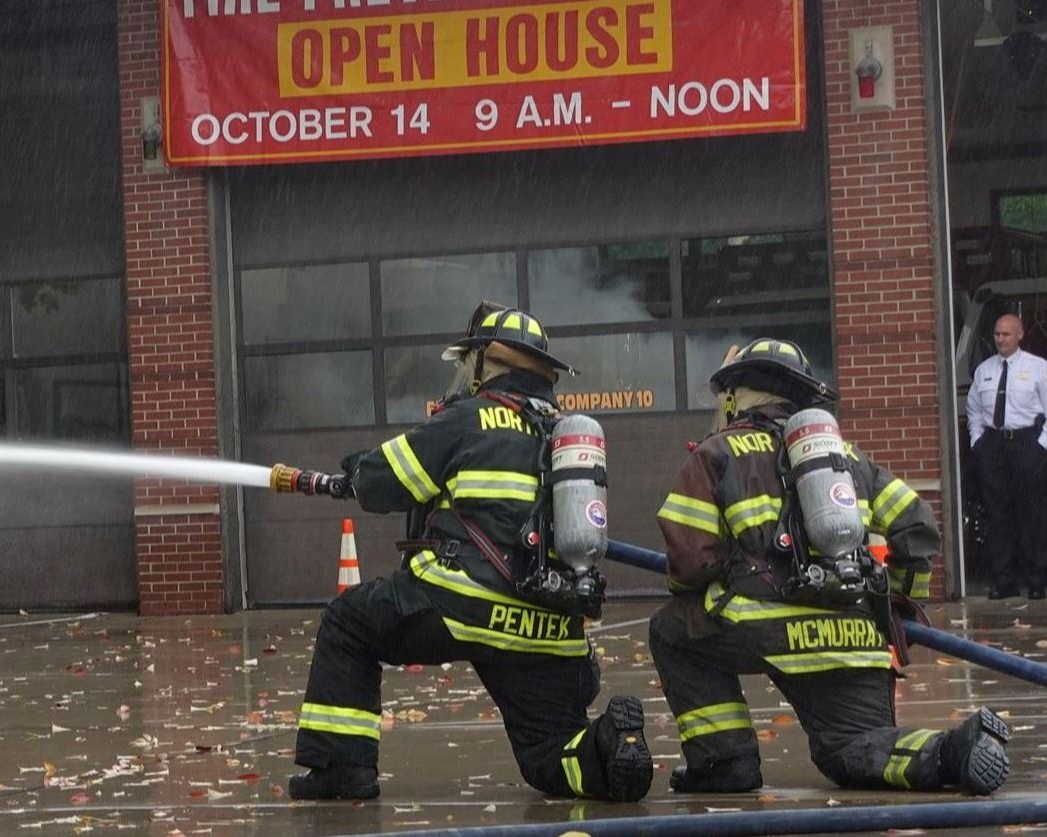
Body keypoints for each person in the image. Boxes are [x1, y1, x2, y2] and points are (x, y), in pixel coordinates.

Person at [269, 304, 652, 802]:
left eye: (465, 362)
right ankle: (605, 749)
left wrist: (354, 471)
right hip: (550, 624)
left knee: (348, 623)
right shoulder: (565, 436)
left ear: (483, 362)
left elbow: (384, 481)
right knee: (549, 752)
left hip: (461, 600)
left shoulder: (468, 418)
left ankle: (344, 770)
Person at [652, 339, 1010, 795]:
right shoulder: (848, 458)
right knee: (852, 748)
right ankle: (952, 751)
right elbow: (917, 527)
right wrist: (897, 607)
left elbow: (689, 564)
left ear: (733, 397)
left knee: (670, 632)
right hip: (853, 633)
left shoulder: (716, 454)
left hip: (758, 625)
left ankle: (726, 762)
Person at [967, 312, 1047, 599]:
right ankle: (1005, 581)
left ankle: (1037, 580)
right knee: (997, 514)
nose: (1001, 339)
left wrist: (1041, 446)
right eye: (998, 334)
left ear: (1020, 335)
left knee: (1032, 515)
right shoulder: (984, 370)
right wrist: (978, 441)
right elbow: (974, 410)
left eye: (1007, 334)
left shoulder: (1038, 368)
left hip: (1027, 444)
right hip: (994, 447)